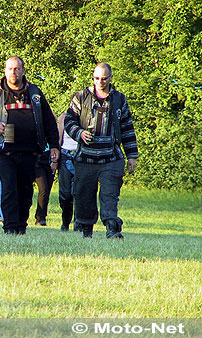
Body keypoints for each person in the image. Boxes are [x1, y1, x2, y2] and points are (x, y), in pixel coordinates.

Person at [0, 56, 60, 235]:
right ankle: (10, 228)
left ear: (23, 70)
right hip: (5, 152)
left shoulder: (35, 93)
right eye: (9, 69)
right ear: (5, 71)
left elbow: (49, 121)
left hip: (31, 152)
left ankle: (21, 226)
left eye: (16, 69)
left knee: (25, 192)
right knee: (8, 189)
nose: (13, 73)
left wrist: (54, 146)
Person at [64, 62, 139, 239]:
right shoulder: (80, 97)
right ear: (93, 77)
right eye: (97, 78)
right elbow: (68, 121)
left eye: (104, 78)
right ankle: (85, 230)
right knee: (84, 196)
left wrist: (132, 156)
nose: (101, 82)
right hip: (85, 159)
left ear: (111, 78)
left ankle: (112, 228)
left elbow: (127, 128)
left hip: (112, 158)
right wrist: (79, 133)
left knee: (109, 194)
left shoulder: (119, 99)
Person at [57, 113, 79, 232]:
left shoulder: (88, 117)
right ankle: (65, 221)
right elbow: (59, 138)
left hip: (81, 156)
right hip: (65, 155)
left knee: (79, 192)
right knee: (65, 194)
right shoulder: (64, 117)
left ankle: (78, 223)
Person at [34, 145, 56, 226]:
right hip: (37, 160)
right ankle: (40, 218)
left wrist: (55, 161)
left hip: (49, 159)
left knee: (47, 191)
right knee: (44, 189)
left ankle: (41, 215)